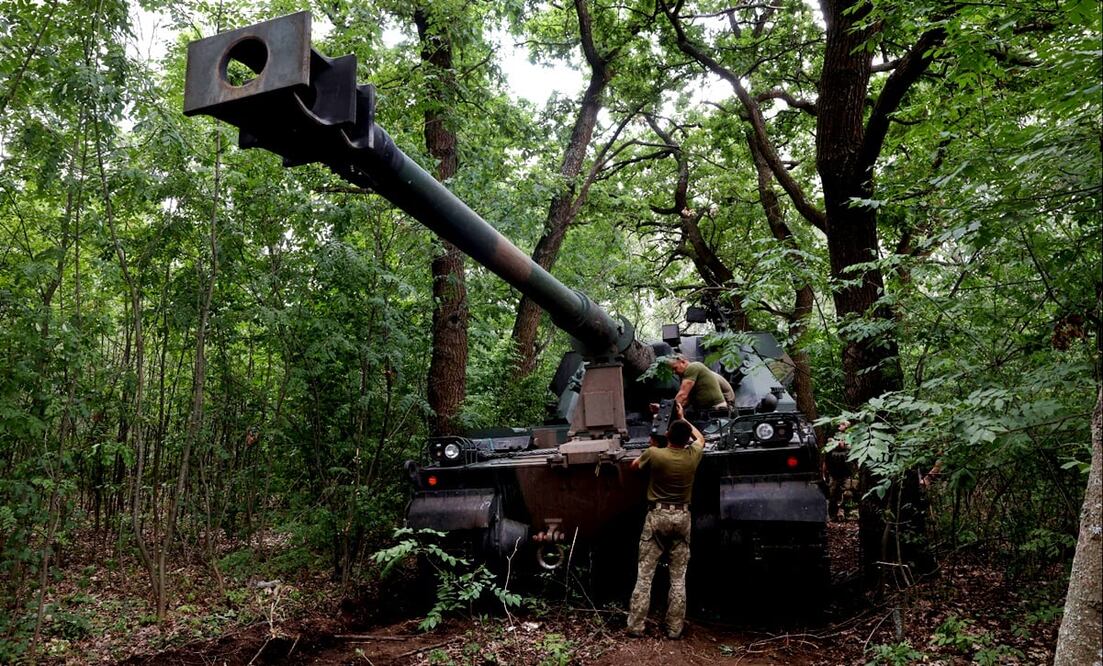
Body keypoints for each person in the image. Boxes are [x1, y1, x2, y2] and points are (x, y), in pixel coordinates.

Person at [626, 405, 705, 639]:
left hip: (657, 517)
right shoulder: (693, 455)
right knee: (678, 578)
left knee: (645, 575)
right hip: (682, 518)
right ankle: (674, 629)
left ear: (667, 436)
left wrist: (652, 446)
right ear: (686, 439)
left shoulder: (655, 454)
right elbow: (700, 438)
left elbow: (633, 467)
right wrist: (682, 417)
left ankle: (636, 626)